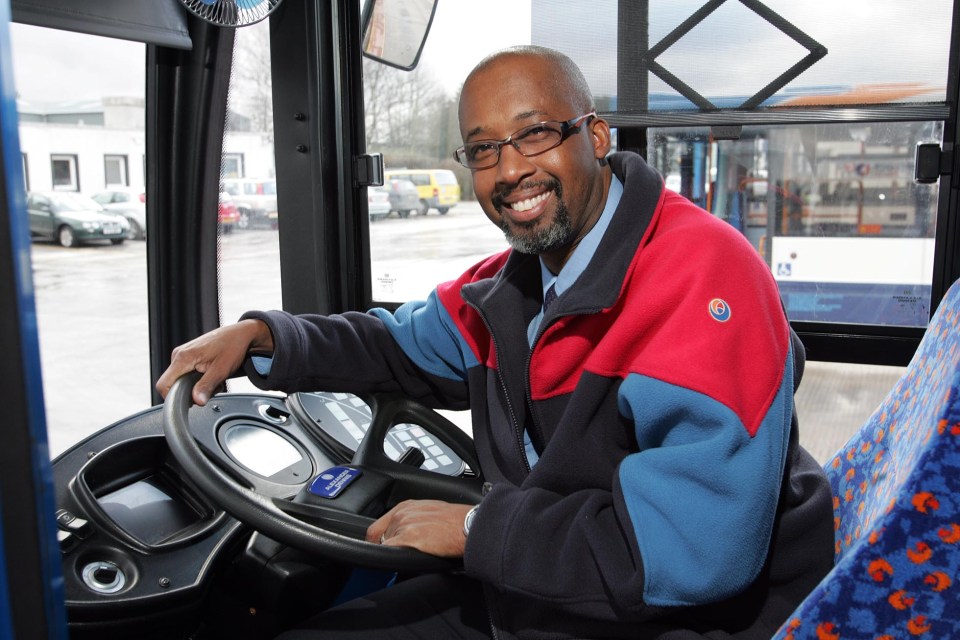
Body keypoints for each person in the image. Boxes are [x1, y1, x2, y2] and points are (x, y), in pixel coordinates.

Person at [157, 45, 834, 639]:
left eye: (535, 134)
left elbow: (691, 553)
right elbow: (397, 347)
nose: (509, 170)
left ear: (595, 136)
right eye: (484, 149)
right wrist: (263, 338)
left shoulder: (703, 282)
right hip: (549, 591)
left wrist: (481, 529)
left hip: (680, 619)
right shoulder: (520, 281)